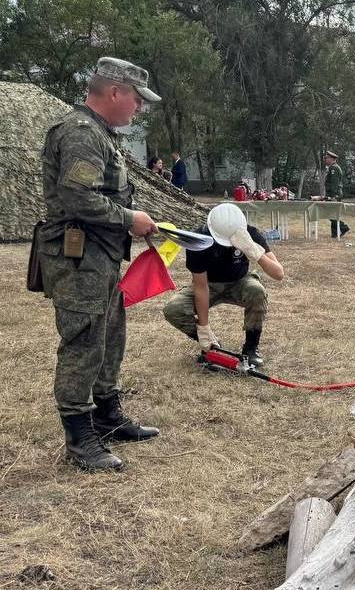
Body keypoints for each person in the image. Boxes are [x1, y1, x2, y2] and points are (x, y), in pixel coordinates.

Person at [38, 56, 162, 471]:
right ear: (114, 92)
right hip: (79, 259)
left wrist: (132, 223)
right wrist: (129, 219)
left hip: (100, 255)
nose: (139, 107)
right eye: (136, 98)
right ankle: (80, 440)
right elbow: (77, 197)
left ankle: (107, 415)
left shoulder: (100, 133)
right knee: (84, 341)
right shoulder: (80, 133)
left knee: (109, 336)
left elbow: (102, 194)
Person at [162, 203, 285, 369]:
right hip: (209, 284)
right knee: (173, 309)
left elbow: (279, 274)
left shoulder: (251, 234)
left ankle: (251, 348)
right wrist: (204, 328)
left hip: (240, 281)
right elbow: (201, 286)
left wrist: (254, 251)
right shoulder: (198, 240)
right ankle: (211, 343)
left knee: (257, 291)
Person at [322, 151, 348, 238]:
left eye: (327, 158)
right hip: (333, 194)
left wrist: (332, 196)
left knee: (331, 214)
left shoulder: (334, 168)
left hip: (334, 194)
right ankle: (335, 233)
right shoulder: (333, 167)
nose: (325, 159)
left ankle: (343, 228)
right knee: (332, 214)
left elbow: (334, 184)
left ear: (332, 159)